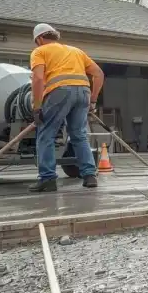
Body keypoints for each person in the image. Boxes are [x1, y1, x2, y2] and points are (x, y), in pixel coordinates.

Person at [28, 23, 105, 192]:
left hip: (60, 91)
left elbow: (38, 79)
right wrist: (93, 100)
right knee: (79, 134)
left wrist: (37, 107)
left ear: (40, 39)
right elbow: (98, 73)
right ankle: (89, 175)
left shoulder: (40, 52)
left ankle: (47, 178)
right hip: (83, 91)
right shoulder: (76, 51)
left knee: (46, 134)